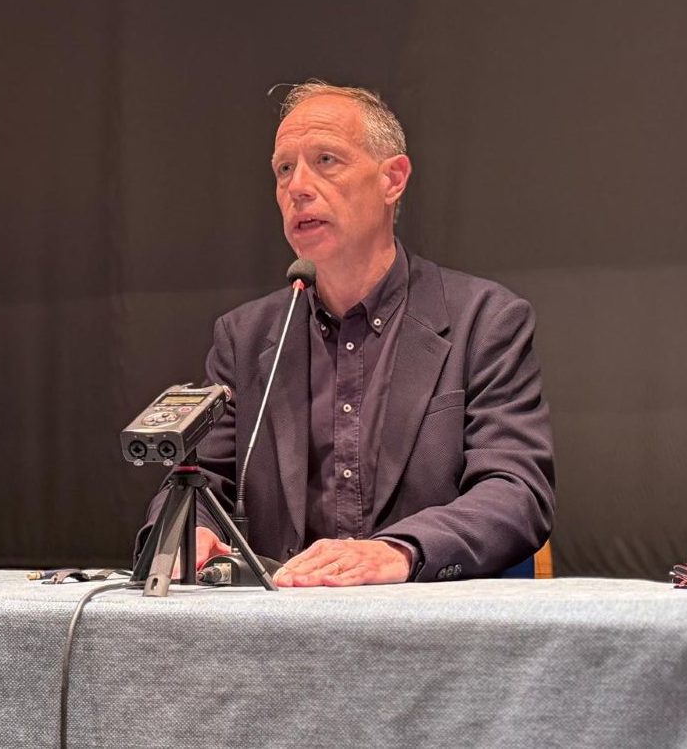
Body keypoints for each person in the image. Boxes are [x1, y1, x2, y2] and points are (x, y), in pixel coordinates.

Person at [136, 80, 554, 586]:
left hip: (428, 620)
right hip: (283, 622)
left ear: (393, 179)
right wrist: (188, 533)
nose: (297, 187)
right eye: (284, 169)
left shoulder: (484, 320)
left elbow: (515, 491)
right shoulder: (245, 338)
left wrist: (400, 550)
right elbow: (200, 481)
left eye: (326, 160)